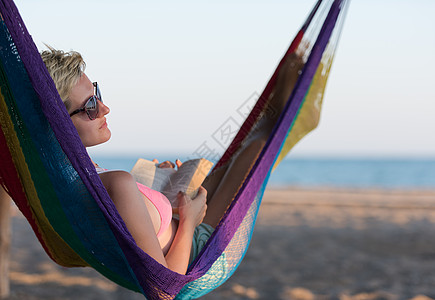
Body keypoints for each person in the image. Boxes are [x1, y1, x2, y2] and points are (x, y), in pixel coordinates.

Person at [41, 47, 303, 275]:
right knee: (257, 147)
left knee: (237, 155)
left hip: (184, 226)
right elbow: (164, 288)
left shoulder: (71, 180)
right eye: (90, 106)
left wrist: (154, 190)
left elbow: (127, 227)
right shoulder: (113, 183)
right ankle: (285, 100)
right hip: (198, 248)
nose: (104, 108)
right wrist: (189, 220)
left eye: (97, 94)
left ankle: (281, 100)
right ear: (60, 123)